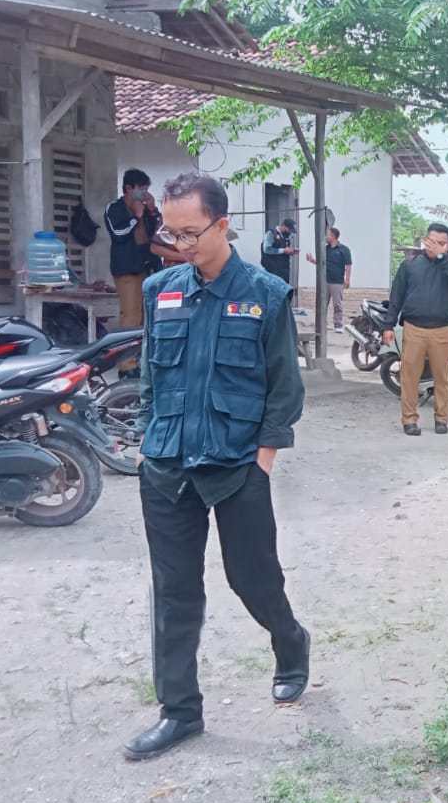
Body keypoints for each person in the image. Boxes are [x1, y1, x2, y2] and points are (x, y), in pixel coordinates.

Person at [124, 172, 309, 761]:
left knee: (252, 578)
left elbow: (284, 388)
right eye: (169, 232)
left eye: (190, 233)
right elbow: (150, 376)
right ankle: (179, 711)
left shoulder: (265, 294)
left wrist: (262, 462)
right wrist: (147, 438)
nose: (178, 244)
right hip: (167, 465)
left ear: (223, 226)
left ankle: (290, 642)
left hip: (236, 466)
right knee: (174, 592)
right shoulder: (160, 290)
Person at [382, 222, 448, 436]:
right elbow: (396, 296)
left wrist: (442, 257)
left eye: (443, 243)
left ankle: (441, 419)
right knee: (409, 377)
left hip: (442, 330)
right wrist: (388, 325)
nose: (438, 246)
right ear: (426, 240)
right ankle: (409, 420)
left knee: (442, 378)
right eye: (434, 242)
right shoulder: (410, 265)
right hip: (414, 329)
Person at [105, 169, 162, 371]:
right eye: (141, 189)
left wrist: (152, 211)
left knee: (145, 317)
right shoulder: (115, 208)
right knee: (131, 315)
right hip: (127, 268)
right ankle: (126, 365)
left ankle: (140, 361)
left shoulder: (145, 208)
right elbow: (118, 233)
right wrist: (136, 217)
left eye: (147, 189)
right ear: (129, 188)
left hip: (146, 266)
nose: (145, 193)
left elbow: (158, 233)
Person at [304, 226, 352, 329]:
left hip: (337, 281)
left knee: (337, 305)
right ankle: (322, 324)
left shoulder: (344, 250)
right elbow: (321, 263)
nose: (325, 237)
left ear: (333, 236)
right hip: (325, 280)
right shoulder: (325, 249)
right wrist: (312, 260)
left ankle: (338, 324)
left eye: (327, 235)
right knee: (323, 304)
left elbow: (348, 264)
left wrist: (347, 280)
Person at [261, 218, 297, 283]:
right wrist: (283, 250)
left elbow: (283, 249)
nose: (289, 232)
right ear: (283, 225)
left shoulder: (285, 236)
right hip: (273, 270)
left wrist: (291, 251)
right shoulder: (271, 234)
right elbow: (267, 249)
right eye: (288, 230)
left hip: (284, 269)